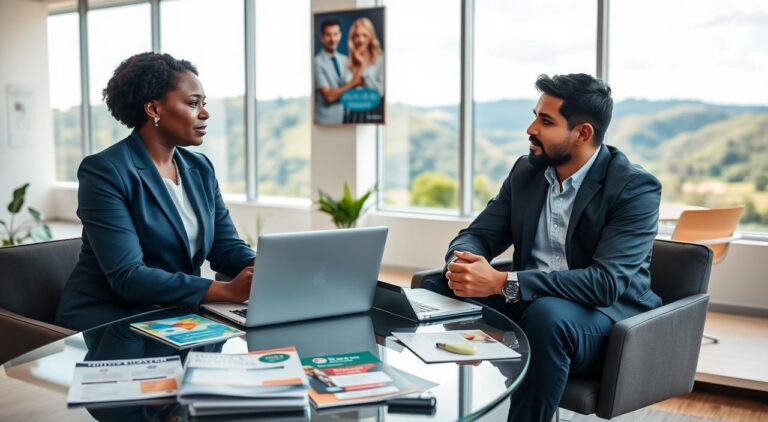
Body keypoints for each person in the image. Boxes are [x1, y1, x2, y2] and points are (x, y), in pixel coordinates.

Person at [421, 73, 662, 422]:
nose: (531, 128)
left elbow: (606, 284)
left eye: (545, 121)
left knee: (548, 316)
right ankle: (441, 405)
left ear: (582, 133)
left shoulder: (634, 187)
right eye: (535, 115)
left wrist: (505, 282)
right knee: (438, 287)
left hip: (604, 318)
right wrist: (462, 262)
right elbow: (479, 234)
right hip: (530, 304)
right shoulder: (526, 171)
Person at [55, 53, 256, 332]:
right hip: (111, 320)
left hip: (177, 315)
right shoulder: (104, 172)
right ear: (153, 109)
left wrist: (265, 267)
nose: (204, 113)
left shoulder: (200, 168)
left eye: (204, 103)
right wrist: (225, 291)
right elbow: (129, 276)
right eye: (193, 103)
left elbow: (226, 247)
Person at [314, 19, 362, 125]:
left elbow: (355, 87)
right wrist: (352, 83)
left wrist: (361, 64)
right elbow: (329, 97)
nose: (332, 39)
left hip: (345, 120)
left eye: (335, 34)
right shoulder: (317, 62)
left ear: (340, 35)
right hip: (325, 123)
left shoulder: (345, 60)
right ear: (322, 38)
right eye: (328, 35)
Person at [343, 17, 385, 124]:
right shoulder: (347, 62)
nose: (360, 40)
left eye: (364, 35)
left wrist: (363, 79)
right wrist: (361, 65)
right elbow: (347, 89)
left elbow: (380, 91)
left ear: (370, 37)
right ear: (352, 38)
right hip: (351, 114)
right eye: (356, 36)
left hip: (372, 113)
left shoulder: (380, 59)